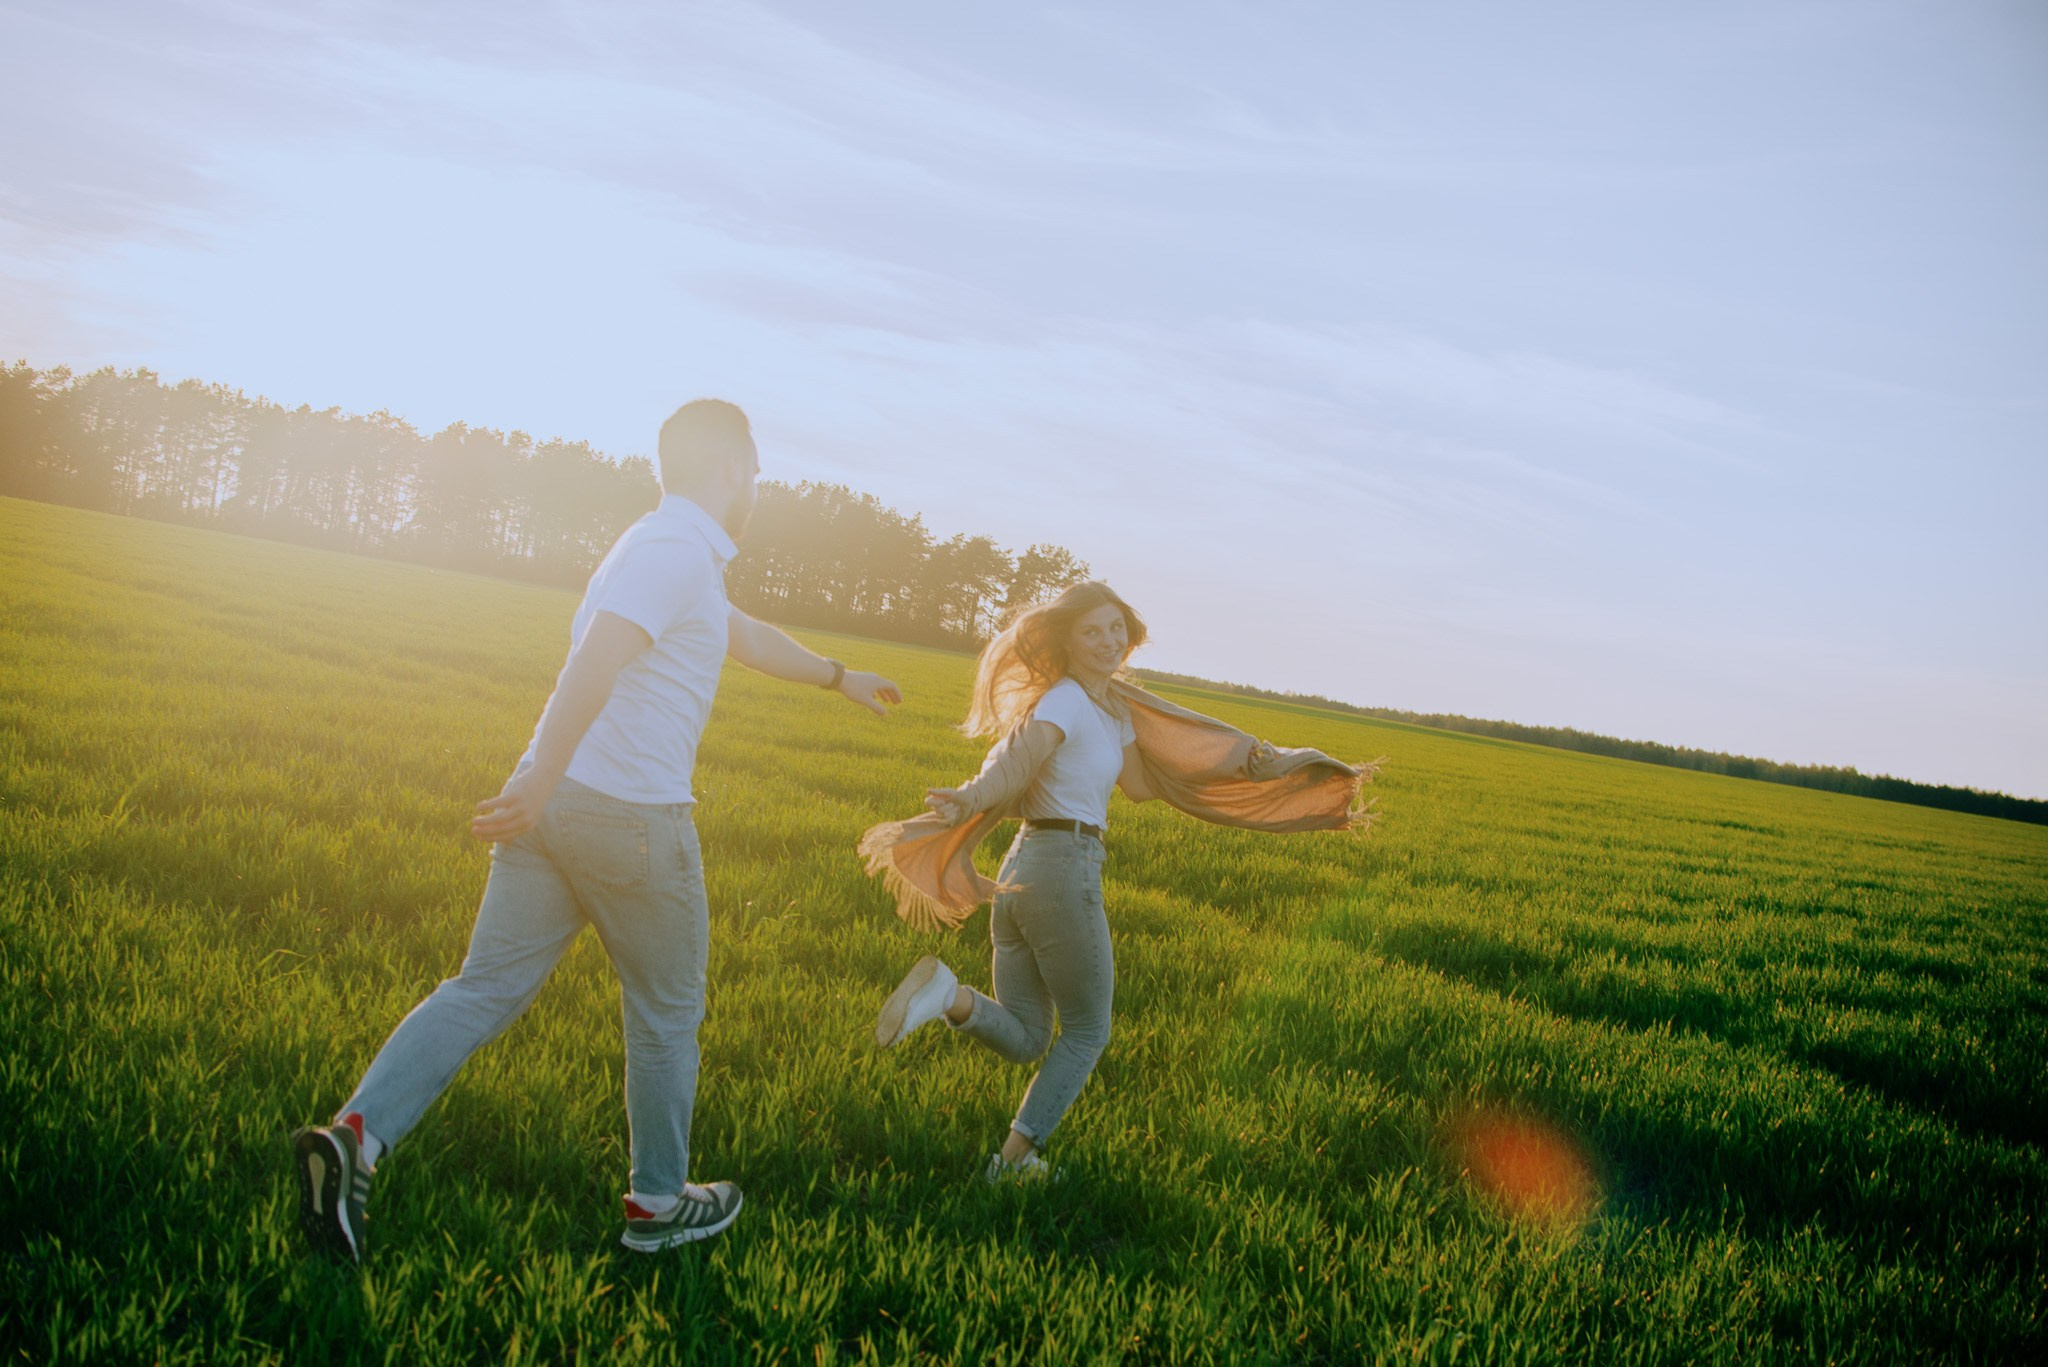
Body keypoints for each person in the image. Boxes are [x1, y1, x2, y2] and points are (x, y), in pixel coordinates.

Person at [292, 398, 901, 1261]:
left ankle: (358, 1136)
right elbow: (596, 659)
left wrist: (840, 675)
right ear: (732, 466)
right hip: (629, 818)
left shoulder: (661, 549)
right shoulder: (675, 552)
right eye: (756, 470)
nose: (757, 486)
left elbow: (747, 639)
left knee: (482, 988)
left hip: (559, 809)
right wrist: (536, 780)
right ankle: (657, 1201)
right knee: (666, 1012)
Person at [862, 581, 1372, 1182]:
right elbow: (1017, 760)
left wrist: (1245, 763)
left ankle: (947, 995)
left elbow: (1141, 785)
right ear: (1066, 641)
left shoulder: (1111, 710)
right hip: (1062, 870)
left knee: (1029, 1037)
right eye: (1091, 631)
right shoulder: (1067, 701)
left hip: (1025, 870)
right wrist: (971, 797)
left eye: (1115, 629)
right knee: (1087, 1032)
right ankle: (1011, 1165)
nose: (1107, 641)